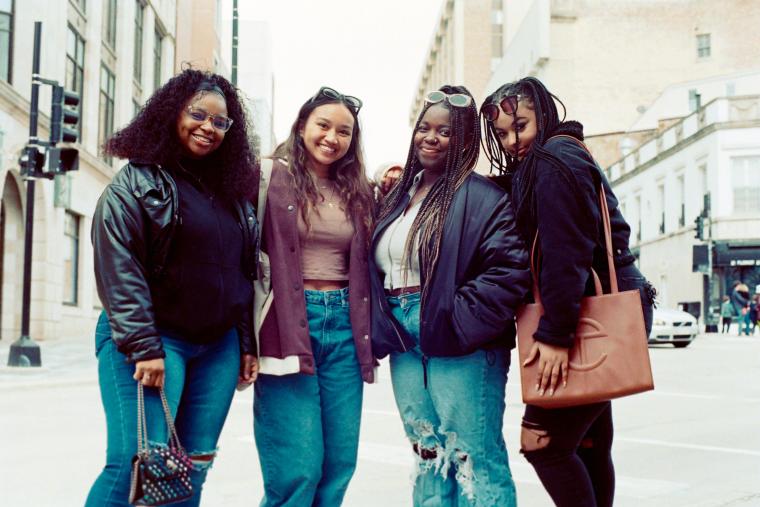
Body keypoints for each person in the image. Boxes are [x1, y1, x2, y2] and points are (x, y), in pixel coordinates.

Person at [86, 69, 260, 507]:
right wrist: (144, 346)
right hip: (155, 341)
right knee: (137, 461)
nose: (208, 127)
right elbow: (118, 266)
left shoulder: (231, 195)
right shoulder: (137, 182)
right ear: (171, 114)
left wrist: (244, 343)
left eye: (220, 122)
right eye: (197, 115)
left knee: (192, 464)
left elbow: (239, 275)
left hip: (216, 348)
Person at [480, 77, 655, 507]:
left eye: (520, 125)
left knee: (543, 443)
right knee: (587, 445)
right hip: (601, 306)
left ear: (544, 113)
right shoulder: (557, 156)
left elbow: (566, 250)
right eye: (501, 133)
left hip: (582, 314)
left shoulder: (555, 158)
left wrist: (556, 335)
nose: (511, 140)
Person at [369, 85, 530, 506]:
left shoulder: (485, 197)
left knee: (472, 456)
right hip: (404, 338)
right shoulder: (397, 197)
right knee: (427, 453)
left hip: (461, 339)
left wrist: (456, 321)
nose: (431, 137)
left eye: (444, 131)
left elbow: (510, 271)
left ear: (463, 141)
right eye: (424, 128)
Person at [252, 86, 376, 507]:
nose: (332, 137)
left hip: (344, 327)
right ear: (302, 125)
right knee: (296, 469)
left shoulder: (361, 191)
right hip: (287, 325)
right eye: (323, 125)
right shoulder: (267, 176)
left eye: (344, 131)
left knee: (339, 463)